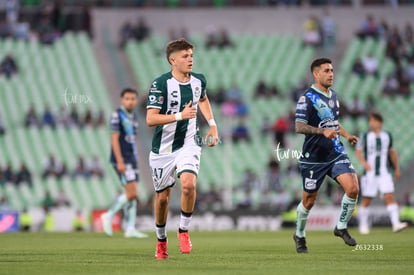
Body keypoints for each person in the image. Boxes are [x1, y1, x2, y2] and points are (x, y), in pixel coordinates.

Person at [146, 38, 219, 259]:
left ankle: (184, 230)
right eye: (185, 56)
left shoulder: (199, 81)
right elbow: (150, 119)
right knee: (162, 199)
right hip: (163, 149)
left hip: (189, 143)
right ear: (172, 60)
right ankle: (161, 239)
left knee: (188, 185)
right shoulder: (161, 84)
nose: (190, 60)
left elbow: (203, 99)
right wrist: (179, 116)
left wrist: (212, 124)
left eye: (191, 55)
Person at [293, 58, 360, 253]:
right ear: (316, 74)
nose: (331, 74)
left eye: (332, 70)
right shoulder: (306, 98)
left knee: (353, 188)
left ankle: (340, 227)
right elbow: (298, 127)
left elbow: (333, 122)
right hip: (313, 157)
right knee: (309, 200)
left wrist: (347, 136)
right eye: (326, 71)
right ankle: (299, 234)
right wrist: (322, 132)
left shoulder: (334, 96)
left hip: (335, 152)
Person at [101, 88, 148, 239]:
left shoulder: (133, 116)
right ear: (122, 100)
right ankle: (108, 215)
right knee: (132, 193)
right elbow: (114, 139)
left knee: (133, 195)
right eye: (127, 98)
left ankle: (130, 228)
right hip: (122, 159)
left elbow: (131, 140)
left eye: (133, 98)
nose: (130, 101)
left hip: (131, 159)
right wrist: (120, 161)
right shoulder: (117, 116)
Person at [355, 112, 408, 234]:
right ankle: (363, 225)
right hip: (370, 173)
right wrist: (364, 163)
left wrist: (397, 168)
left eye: (373, 121)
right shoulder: (365, 136)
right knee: (367, 199)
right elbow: (358, 151)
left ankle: (395, 224)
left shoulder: (387, 136)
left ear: (379, 122)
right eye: (370, 121)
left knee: (389, 196)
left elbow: (392, 153)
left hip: (384, 172)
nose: (371, 123)